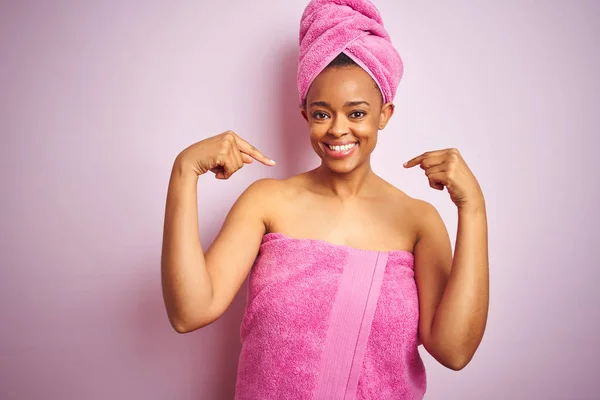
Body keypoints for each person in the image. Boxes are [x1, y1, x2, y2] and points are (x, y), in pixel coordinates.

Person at [160, 0, 489, 398]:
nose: (337, 130)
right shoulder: (267, 203)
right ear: (303, 113)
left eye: (356, 113)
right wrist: (184, 172)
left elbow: (454, 351)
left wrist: (473, 207)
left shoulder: (418, 221)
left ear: (384, 114)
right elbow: (188, 312)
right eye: (321, 114)